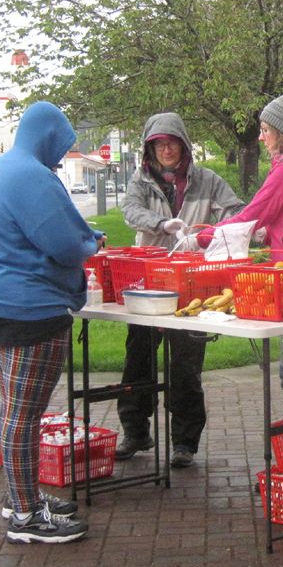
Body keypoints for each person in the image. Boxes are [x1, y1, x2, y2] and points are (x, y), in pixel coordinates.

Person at [0, 101, 104, 544]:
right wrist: (89, 243)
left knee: (13, 410)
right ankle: (26, 516)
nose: (62, 156)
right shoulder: (32, 175)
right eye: (60, 146)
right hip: (30, 308)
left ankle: (19, 495)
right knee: (23, 417)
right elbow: (64, 242)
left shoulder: (0, 170)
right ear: (48, 137)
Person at [117, 112, 244, 468]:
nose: (167, 149)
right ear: (150, 148)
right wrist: (162, 224)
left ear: (184, 144)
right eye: (159, 143)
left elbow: (236, 212)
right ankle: (135, 431)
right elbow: (130, 211)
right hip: (147, 282)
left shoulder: (207, 180)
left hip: (192, 284)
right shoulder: (141, 181)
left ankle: (185, 442)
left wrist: (206, 237)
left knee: (186, 365)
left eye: (172, 142)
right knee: (137, 359)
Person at [198, 94, 283, 416]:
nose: (260, 137)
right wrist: (268, 232)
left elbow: (251, 215)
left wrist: (201, 238)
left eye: (265, 130)